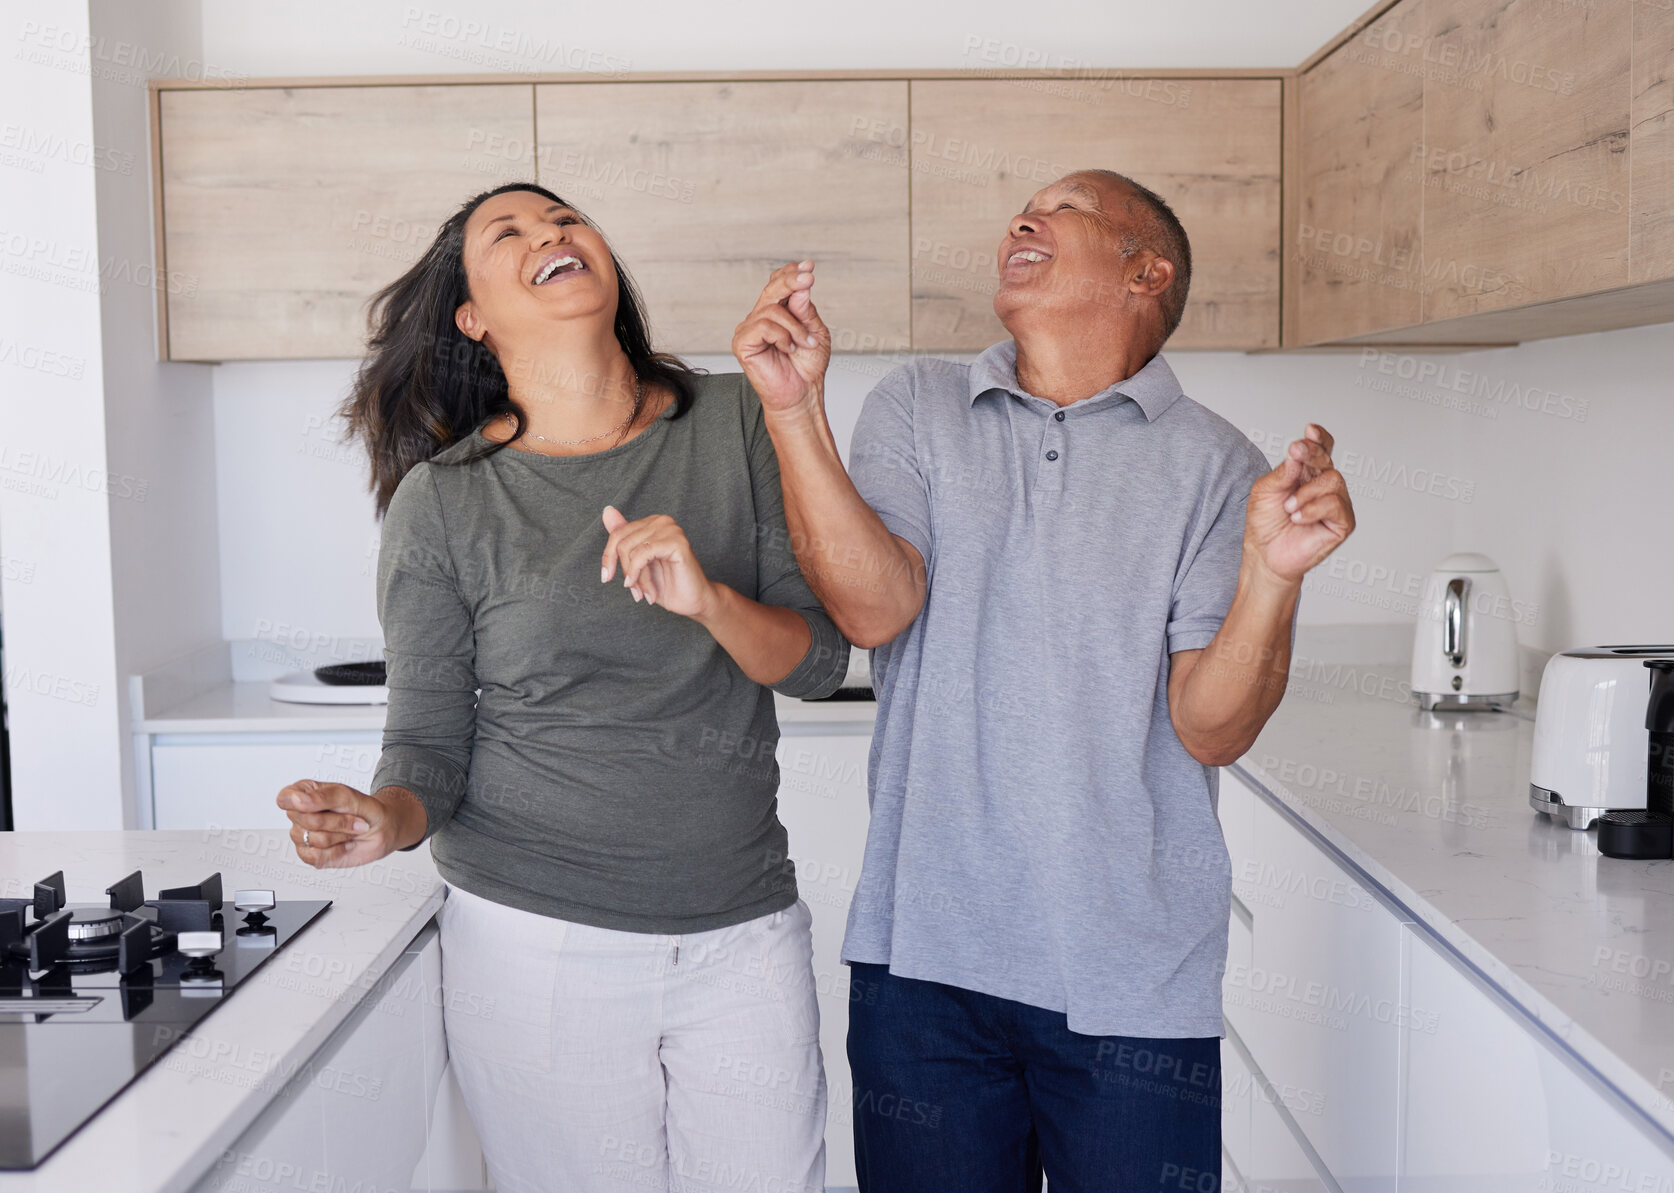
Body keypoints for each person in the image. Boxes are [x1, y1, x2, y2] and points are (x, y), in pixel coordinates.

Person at [731, 168, 1356, 1190]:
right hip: (925, 963)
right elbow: (874, 608)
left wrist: (1272, 578)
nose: (1022, 217)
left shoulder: (1220, 469)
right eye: (1022, 206)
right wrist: (795, 415)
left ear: (1145, 270)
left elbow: (1212, 726)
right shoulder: (920, 405)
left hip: (1135, 984)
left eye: (1063, 209)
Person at [276, 181, 847, 1193]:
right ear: (472, 315)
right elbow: (428, 751)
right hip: (536, 943)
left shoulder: (736, 419)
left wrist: (710, 599)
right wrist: (383, 819)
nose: (552, 234)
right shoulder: (445, 502)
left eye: (566, 220)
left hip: (742, 931)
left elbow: (817, 660)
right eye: (511, 233)